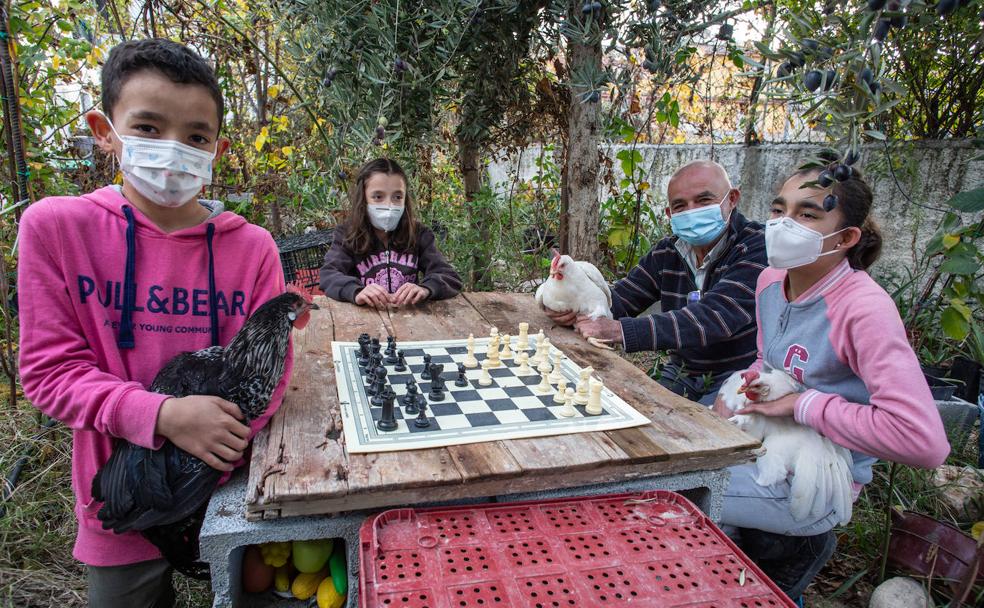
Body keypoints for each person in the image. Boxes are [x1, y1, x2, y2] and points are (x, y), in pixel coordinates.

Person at [17, 39, 292, 607]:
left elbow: (271, 371)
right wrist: (162, 416)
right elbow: (49, 373)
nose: (173, 150)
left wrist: (213, 444)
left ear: (217, 147)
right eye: (147, 127)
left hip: (228, 487)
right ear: (104, 129)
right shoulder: (57, 229)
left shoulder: (253, 248)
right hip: (122, 499)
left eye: (195, 137)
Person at [711, 161, 949, 600]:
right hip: (767, 449)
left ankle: (789, 564)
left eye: (808, 214)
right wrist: (752, 381)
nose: (783, 225)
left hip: (817, 479)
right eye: (780, 209)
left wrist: (802, 406)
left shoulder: (863, 310)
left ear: (844, 238)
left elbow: (925, 441)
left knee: (681, 493)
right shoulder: (770, 282)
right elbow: (770, 359)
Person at [545, 160, 767, 405]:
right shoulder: (668, 252)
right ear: (670, 214)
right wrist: (570, 303)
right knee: (637, 418)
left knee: (698, 436)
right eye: (680, 206)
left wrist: (619, 330)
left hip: (739, 375)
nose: (692, 211)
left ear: (732, 199)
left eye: (704, 201)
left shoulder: (757, 246)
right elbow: (621, 299)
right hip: (683, 372)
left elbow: (714, 317)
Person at [319, 158, 462, 307]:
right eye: (378, 197)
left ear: (405, 199)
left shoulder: (419, 234)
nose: (389, 205)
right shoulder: (347, 234)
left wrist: (426, 288)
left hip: (411, 316)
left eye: (397, 197)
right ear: (363, 198)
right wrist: (355, 291)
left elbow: (449, 276)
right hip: (364, 317)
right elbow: (328, 274)